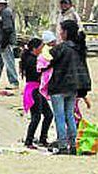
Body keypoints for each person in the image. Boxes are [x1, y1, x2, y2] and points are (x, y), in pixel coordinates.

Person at [46, 19, 92, 154]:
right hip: (72, 89)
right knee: (70, 116)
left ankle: (62, 145)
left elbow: (47, 59)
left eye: (61, 30)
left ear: (66, 32)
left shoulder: (61, 48)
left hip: (59, 87)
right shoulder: (79, 49)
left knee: (59, 117)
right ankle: (73, 145)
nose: (60, 33)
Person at [20, 38, 52, 149]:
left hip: (36, 89)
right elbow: (37, 74)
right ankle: (29, 140)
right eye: (41, 47)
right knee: (36, 116)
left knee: (48, 114)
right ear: (35, 48)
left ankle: (42, 139)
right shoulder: (32, 60)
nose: (42, 49)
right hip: (33, 90)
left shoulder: (32, 58)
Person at [0, 0, 19, 91]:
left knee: (9, 62)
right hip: (2, 42)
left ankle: (14, 81)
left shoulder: (5, 13)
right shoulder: (3, 12)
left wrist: (4, 43)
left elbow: (8, 29)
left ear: (2, 4)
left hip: (5, 43)